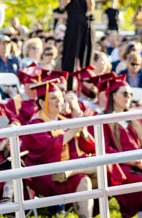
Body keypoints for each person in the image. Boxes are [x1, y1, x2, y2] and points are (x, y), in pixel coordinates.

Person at [21, 81, 94, 218]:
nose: (59, 101)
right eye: (54, 98)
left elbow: (88, 146)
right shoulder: (35, 124)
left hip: (67, 168)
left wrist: (82, 128)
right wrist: (74, 128)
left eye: (60, 96)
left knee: (104, 172)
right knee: (85, 181)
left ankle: (73, 171)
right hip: (47, 174)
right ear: (42, 103)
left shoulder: (63, 119)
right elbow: (47, 149)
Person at [102, 76, 142, 218]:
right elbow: (105, 150)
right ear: (112, 95)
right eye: (124, 94)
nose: (128, 97)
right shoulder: (103, 120)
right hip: (122, 168)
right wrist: (133, 161)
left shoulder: (134, 118)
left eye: (130, 94)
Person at [60, 0, 94, 90]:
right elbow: (63, 3)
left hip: (86, 26)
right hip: (73, 25)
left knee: (86, 57)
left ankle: (85, 88)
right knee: (70, 57)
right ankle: (68, 87)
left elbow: (90, 8)